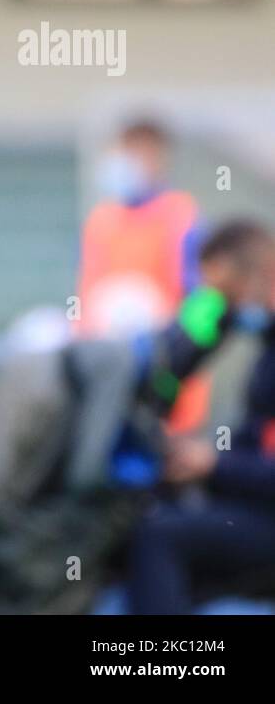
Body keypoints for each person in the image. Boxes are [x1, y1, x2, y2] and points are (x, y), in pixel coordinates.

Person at [125, 219, 275, 613]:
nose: (226, 308)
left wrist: (215, 465)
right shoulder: (265, 346)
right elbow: (168, 373)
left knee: (157, 537)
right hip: (255, 502)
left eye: (227, 296)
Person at [78, 119, 209, 432]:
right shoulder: (101, 220)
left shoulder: (180, 215)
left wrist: (180, 352)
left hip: (167, 376)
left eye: (136, 154)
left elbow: (201, 298)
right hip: (106, 371)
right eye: (123, 153)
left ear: (157, 159)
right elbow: (85, 297)